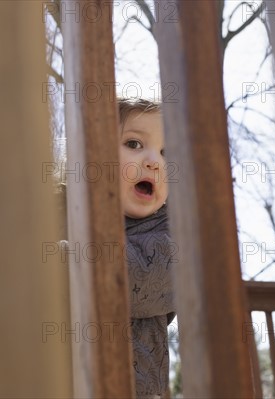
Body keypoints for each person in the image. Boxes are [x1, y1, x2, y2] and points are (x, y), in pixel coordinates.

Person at [118, 98, 176, 399]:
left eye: (167, 152)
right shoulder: (56, 215)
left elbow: (130, 278)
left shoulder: (171, 238)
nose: (154, 161)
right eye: (134, 144)